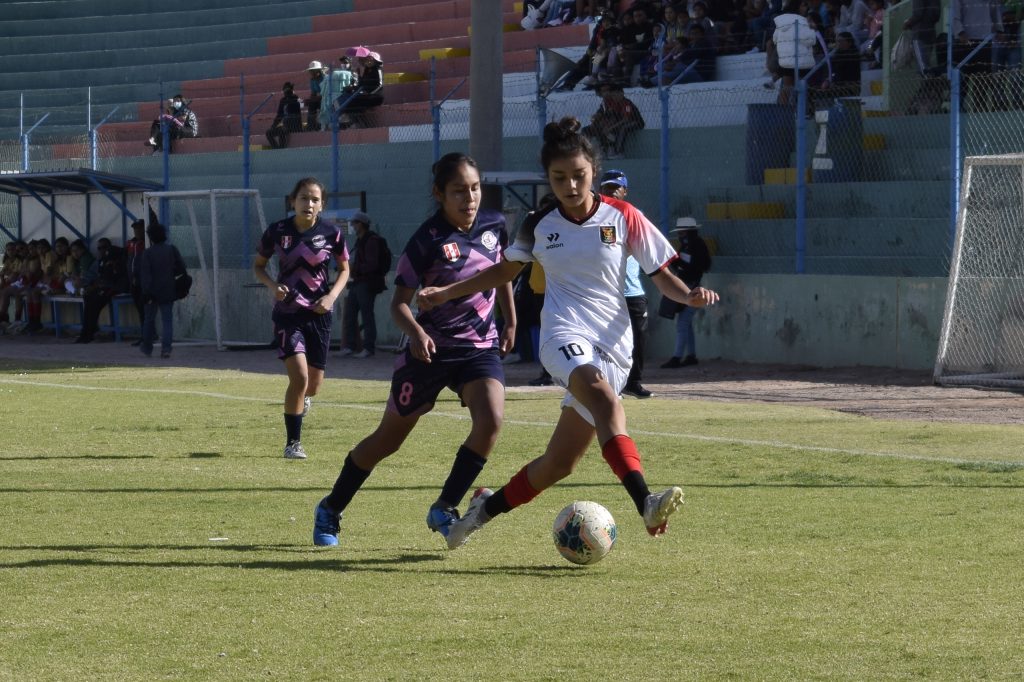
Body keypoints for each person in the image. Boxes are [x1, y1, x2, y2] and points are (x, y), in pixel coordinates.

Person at [417, 117, 719, 550]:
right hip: (563, 332)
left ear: (593, 171)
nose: (571, 186)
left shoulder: (624, 216)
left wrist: (688, 296)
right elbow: (504, 269)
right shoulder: (539, 223)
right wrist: (447, 292)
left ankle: (481, 510)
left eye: (579, 176)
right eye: (560, 178)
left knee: (559, 464)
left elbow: (661, 272)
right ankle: (645, 500)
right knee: (603, 398)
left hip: (615, 344)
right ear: (549, 179)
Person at [312, 152, 516, 547]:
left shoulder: (496, 225)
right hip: (428, 354)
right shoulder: (426, 240)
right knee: (388, 440)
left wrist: (510, 319)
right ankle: (331, 508)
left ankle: (445, 506)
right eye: (459, 191)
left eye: (475, 188)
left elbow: (502, 272)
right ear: (439, 194)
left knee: (491, 421)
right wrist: (418, 333)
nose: (470, 198)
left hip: (478, 349)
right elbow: (398, 304)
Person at [253, 177, 351, 460]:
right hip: (288, 314)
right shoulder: (277, 231)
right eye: (303, 198)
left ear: (322, 205)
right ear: (292, 201)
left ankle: (304, 398)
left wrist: (331, 297)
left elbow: (345, 269)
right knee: (299, 376)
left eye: (314, 199)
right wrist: (273, 287)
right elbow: (258, 266)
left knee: (313, 385)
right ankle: (293, 443)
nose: (308, 204)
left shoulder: (332, 234)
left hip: (319, 314)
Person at [599, 169, 652, 399]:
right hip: (606, 291)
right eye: (607, 187)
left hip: (632, 290)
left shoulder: (634, 214)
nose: (611, 192)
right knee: (605, 340)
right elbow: (609, 249)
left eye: (615, 187)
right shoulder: (597, 216)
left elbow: (642, 246)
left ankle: (634, 381)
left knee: (638, 339)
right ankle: (608, 383)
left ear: (625, 190)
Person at [660, 216, 712, 368]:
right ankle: (691, 355)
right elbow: (682, 266)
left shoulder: (697, 246)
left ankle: (677, 357)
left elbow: (698, 266)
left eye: (682, 232)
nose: (680, 235)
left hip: (694, 288)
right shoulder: (687, 245)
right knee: (685, 323)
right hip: (687, 286)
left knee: (683, 322)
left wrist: (679, 263)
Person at [338, 211, 389, 358]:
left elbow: (371, 264)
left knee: (367, 316)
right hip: (358, 282)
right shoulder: (360, 240)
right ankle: (349, 347)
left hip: (366, 283)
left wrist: (355, 269)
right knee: (350, 314)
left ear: (361, 224)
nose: (353, 226)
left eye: (355, 223)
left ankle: (368, 348)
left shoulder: (371, 240)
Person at [139, 216, 186, 359]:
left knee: (149, 320)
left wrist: (146, 291)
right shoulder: (172, 250)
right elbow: (182, 268)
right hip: (168, 289)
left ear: (151, 237)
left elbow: (145, 275)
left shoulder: (147, 253)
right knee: (167, 321)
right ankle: (166, 349)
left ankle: (147, 348)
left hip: (152, 291)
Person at [74, 237, 129, 344]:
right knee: (88, 296)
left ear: (109, 247)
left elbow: (111, 279)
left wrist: (95, 285)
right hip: (104, 287)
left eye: (104, 247)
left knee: (94, 300)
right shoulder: (100, 261)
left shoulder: (117, 258)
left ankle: (88, 333)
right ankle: (88, 331)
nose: (101, 250)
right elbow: (92, 277)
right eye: (99, 248)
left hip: (115, 287)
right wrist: (86, 284)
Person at [768, 0, 816, 105]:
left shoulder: (782, 21)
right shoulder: (802, 21)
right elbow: (809, 40)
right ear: (797, 6)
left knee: (787, 85)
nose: (806, 8)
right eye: (804, 5)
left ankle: (783, 111)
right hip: (800, 58)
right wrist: (812, 29)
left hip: (786, 58)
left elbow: (775, 39)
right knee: (790, 84)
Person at [582, 82, 645, 159]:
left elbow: (626, 119)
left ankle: (619, 152)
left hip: (635, 122)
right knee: (596, 129)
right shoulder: (612, 103)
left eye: (615, 95)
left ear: (622, 93)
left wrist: (610, 128)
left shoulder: (627, 104)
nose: (614, 97)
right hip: (620, 122)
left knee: (623, 128)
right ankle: (600, 150)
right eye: (613, 95)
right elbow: (608, 115)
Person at [126, 219, 147, 345]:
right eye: (135, 228)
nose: (137, 231)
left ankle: (147, 335)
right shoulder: (131, 243)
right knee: (140, 310)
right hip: (133, 282)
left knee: (145, 310)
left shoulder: (147, 243)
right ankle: (144, 335)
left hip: (144, 282)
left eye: (139, 228)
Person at [265, 82, 303, 149]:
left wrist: (289, 99)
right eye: (285, 91)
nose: (285, 92)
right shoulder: (283, 100)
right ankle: (277, 149)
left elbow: (298, 108)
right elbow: (280, 115)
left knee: (281, 131)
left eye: (287, 91)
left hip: (295, 126)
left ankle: (282, 149)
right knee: (269, 132)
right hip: (286, 125)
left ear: (291, 91)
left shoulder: (296, 99)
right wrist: (273, 125)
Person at [305, 61, 327, 131]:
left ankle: (322, 124)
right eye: (311, 71)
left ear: (319, 71)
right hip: (319, 99)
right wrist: (310, 100)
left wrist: (314, 99)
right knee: (311, 105)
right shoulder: (312, 80)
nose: (312, 73)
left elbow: (325, 93)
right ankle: (311, 126)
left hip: (327, 99)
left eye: (313, 71)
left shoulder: (325, 78)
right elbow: (313, 93)